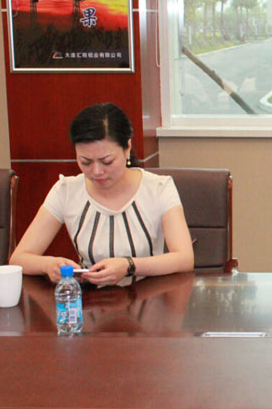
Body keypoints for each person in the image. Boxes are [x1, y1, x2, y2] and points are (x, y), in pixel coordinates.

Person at [10, 103, 194, 285]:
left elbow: (184, 258)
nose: (96, 171)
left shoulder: (159, 188)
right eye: (86, 162)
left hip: (149, 297)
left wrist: (129, 266)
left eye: (107, 161)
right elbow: (18, 258)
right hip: (91, 300)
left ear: (127, 148)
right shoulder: (65, 191)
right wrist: (48, 265)